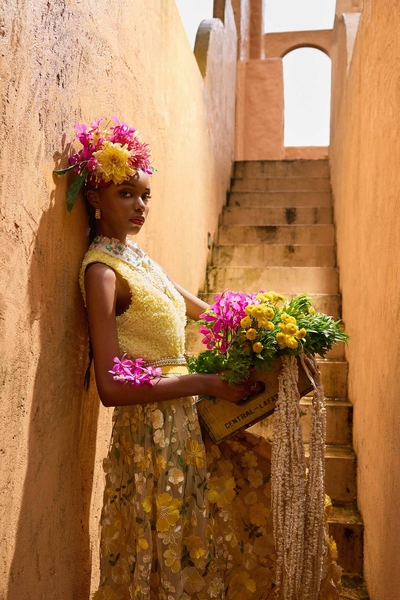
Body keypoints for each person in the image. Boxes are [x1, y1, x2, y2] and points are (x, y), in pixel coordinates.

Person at [58, 118, 342, 599]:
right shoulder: (102, 273)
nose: (140, 206)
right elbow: (110, 389)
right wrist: (207, 384)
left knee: (248, 503)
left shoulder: (141, 260)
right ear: (94, 198)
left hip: (187, 421)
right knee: (171, 545)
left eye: (145, 195)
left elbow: (210, 314)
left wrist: (272, 332)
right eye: (126, 193)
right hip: (152, 435)